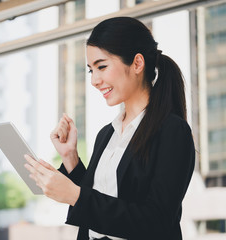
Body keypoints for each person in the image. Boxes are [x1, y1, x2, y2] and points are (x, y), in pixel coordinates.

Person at [24, 16, 195, 240]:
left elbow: (157, 221)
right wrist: (70, 158)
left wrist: (75, 195)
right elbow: (102, 199)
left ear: (137, 63)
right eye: (90, 70)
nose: (94, 80)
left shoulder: (173, 131)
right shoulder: (107, 134)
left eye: (101, 67)